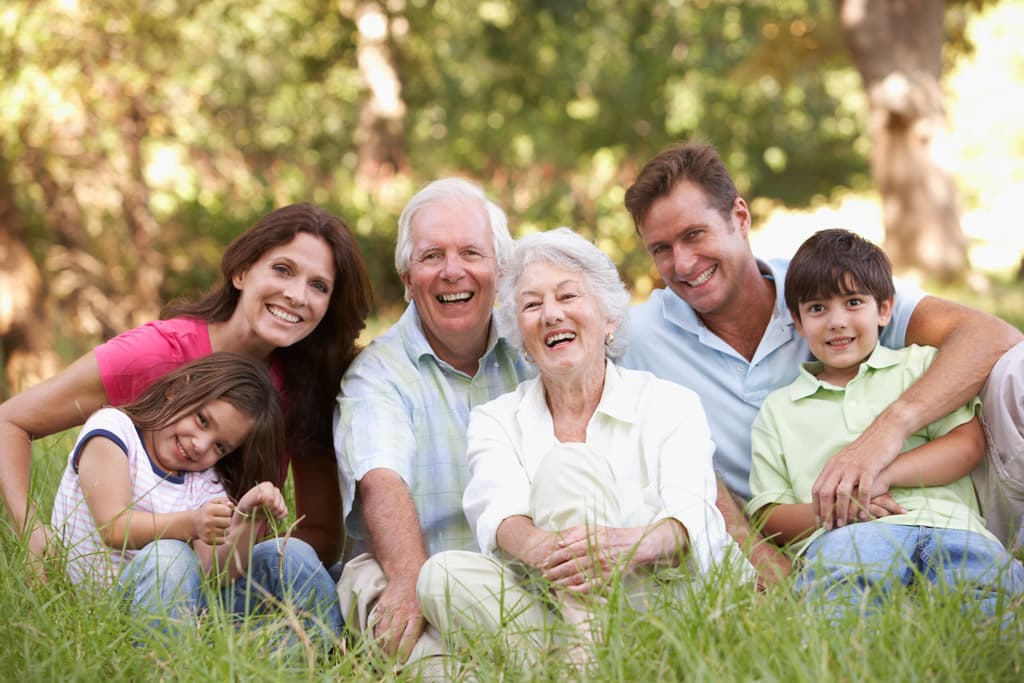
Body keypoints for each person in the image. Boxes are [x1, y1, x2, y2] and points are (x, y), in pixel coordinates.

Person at [621, 142, 1024, 579]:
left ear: (739, 218)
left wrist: (886, 433)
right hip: (819, 543)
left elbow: (992, 336)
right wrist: (764, 563)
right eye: (661, 249)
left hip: (944, 511)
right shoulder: (637, 337)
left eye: (694, 234)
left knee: (1017, 371)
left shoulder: (826, 286)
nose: (682, 263)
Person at [0, 202, 371, 632]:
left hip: (215, 575)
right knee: (166, 557)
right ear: (243, 272)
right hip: (135, 577)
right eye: (283, 270)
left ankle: (300, 660)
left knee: (307, 566)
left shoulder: (306, 385)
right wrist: (31, 531)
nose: (297, 295)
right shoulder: (158, 355)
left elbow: (322, 536)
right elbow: (11, 421)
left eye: (320, 286)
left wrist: (242, 534)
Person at [417, 228, 753, 665]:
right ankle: (588, 660)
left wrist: (626, 546)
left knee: (566, 467)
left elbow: (691, 516)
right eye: (532, 305)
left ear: (609, 318)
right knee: (440, 575)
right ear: (521, 335)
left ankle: (573, 664)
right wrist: (551, 552)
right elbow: (498, 513)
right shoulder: (496, 419)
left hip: (661, 602)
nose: (551, 314)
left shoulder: (671, 403)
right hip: (553, 605)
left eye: (567, 296)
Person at [746, 229, 1023, 619]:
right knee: (839, 611)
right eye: (818, 308)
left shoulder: (919, 367)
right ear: (797, 320)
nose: (837, 322)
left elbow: (967, 446)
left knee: (993, 609)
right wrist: (844, 508)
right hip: (846, 538)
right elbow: (768, 514)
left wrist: (883, 475)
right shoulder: (779, 410)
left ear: (884, 309)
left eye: (853, 302)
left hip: (952, 527)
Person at [333, 178, 533, 667]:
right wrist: (408, 578)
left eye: (471, 252)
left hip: (517, 580)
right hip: (409, 575)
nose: (452, 271)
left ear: (501, 270)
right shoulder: (378, 373)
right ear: (406, 277)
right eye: (431, 257)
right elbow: (382, 479)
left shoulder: (534, 350)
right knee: (437, 667)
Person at [52, 354, 295, 628]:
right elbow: (114, 527)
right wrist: (191, 523)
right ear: (176, 389)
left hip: (171, 607)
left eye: (220, 447)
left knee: (291, 555)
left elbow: (213, 573)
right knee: (169, 557)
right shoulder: (113, 429)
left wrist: (249, 517)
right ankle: (161, 666)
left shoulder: (204, 481)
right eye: (203, 421)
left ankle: (317, 649)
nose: (201, 445)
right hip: (100, 610)